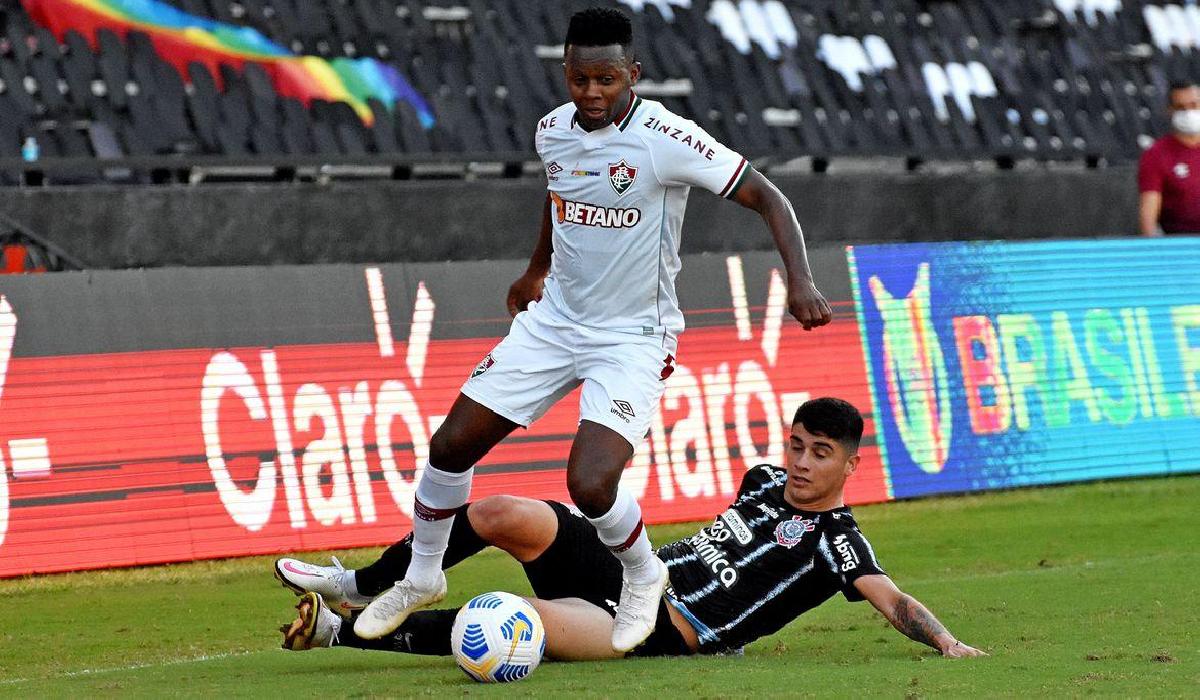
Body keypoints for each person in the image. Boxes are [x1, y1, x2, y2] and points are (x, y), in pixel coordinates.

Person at [279, 6, 832, 653]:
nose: (592, 93)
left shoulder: (667, 138)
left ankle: (643, 573)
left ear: (634, 74)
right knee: (450, 445)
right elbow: (559, 194)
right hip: (555, 323)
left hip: (632, 337)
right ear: (564, 74)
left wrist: (801, 279)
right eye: (579, 79)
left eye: (606, 79)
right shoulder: (553, 132)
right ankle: (420, 576)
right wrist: (535, 269)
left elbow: (767, 194)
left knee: (590, 484)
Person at [278, 398, 985, 662]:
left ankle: (340, 630)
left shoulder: (838, 543)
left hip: (663, 629)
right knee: (496, 511)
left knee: (515, 623)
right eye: (797, 444)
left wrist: (947, 643)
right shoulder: (764, 479)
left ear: (850, 466)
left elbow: (896, 602)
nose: (800, 462)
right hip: (632, 570)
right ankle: (361, 580)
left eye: (820, 453)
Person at [1138, 80, 1200, 236]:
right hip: (1180, 241)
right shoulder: (1156, 155)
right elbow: (1149, 214)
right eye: (1180, 107)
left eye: (1193, 105)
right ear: (1170, 110)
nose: (1188, 113)